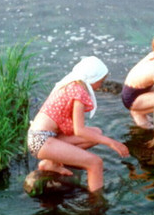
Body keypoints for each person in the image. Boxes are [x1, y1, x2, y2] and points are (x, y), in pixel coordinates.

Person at [26, 56, 129, 193]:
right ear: (93, 79)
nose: (102, 84)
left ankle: (50, 163)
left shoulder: (71, 84)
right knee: (95, 163)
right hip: (41, 141)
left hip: (38, 136)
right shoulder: (79, 93)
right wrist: (112, 143)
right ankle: (96, 203)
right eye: (101, 81)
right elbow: (79, 130)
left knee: (96, 132)